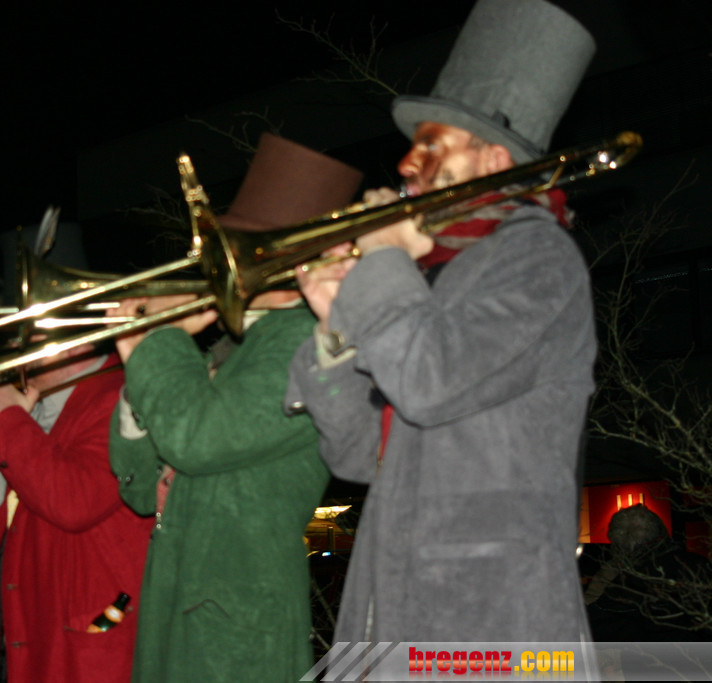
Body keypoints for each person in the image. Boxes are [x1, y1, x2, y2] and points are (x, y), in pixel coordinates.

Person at [285, 0, 599, 646]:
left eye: (431, 145)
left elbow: (428, 382)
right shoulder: (433, 276)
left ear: (493, 160)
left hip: (489, 622)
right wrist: (335, 327)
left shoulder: (540, 258)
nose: (407, 164)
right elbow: (357, 456)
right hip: (390, 609)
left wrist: (382, 263)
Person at [107, 133, 363, 682]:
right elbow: (140, 488)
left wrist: (157, 340)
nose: (222, 265)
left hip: (236, 628)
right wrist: (136, 377)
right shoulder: (235, 347)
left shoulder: (305, 342)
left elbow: (197, 441)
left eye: (240, 249)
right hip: (180, 608)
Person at [0, 336, 152, 682]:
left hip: (88, 648)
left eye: (29, 336)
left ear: (74, 340)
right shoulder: (37, 407)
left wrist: (7, 420)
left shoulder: (119, 394)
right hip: (23, 633)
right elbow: (2, 538)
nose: (16, 349)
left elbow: (76, 502)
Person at [587, 504, 710, 641]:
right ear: (661, 531)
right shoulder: (699, 565)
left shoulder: (627, 583)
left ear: (618, 545)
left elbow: (593, 627)